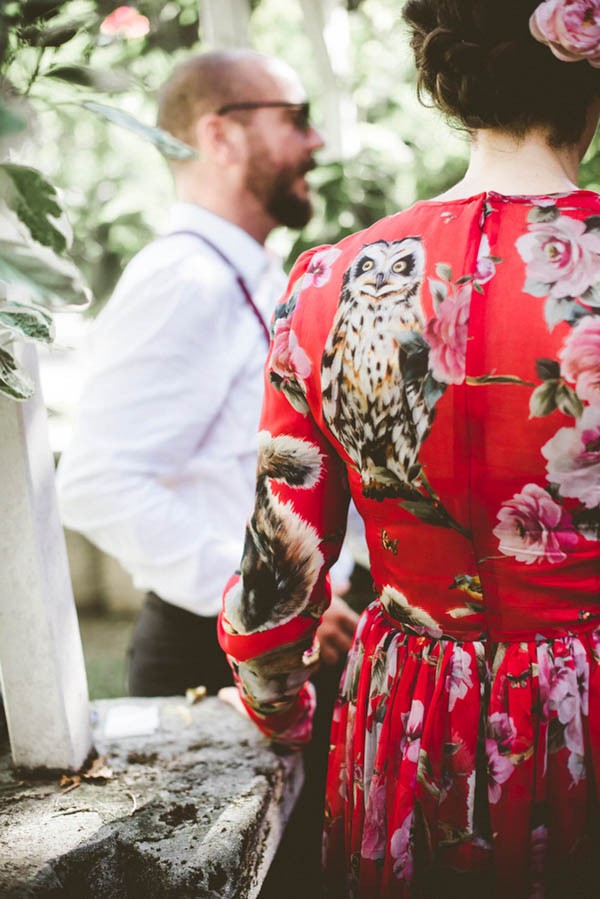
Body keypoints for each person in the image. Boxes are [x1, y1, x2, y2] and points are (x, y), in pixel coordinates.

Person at [218, 2, 600, 896]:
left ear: (445, 80)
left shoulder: (327, 283)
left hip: (414, 720)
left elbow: (277, 588)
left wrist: (283, 710)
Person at [56, 49, 358, 698]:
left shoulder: (249, 273)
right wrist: (268, 592)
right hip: (211, 655)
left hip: (283, 642)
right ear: (219, 135)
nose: (317, 140)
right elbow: (94, 481)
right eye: (296, 118)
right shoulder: (184, 281)